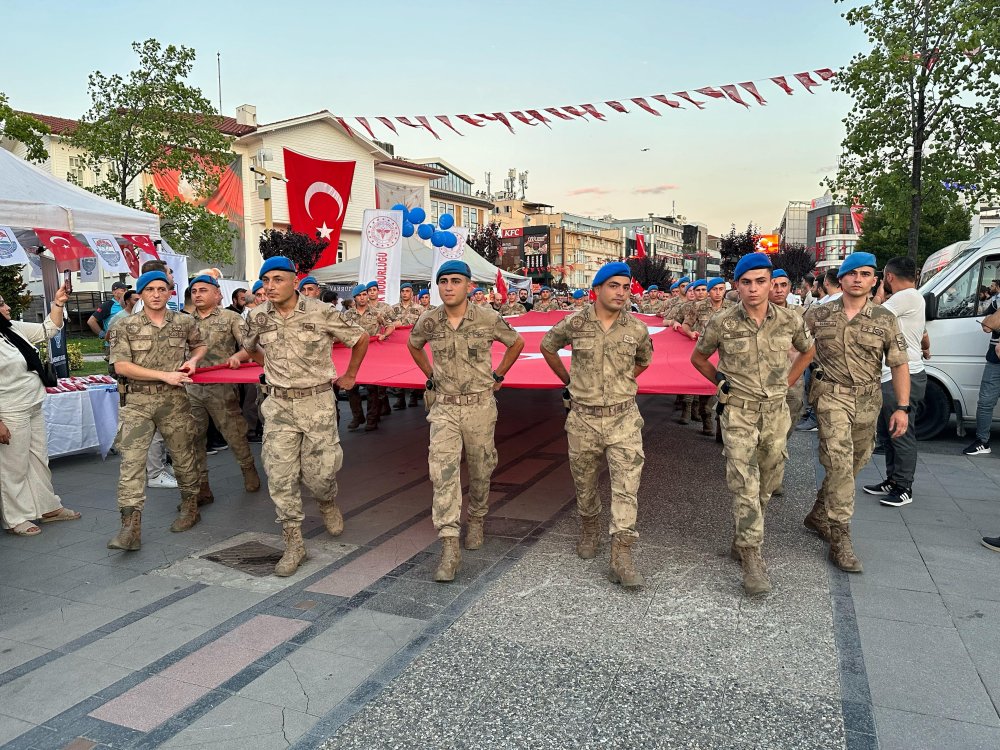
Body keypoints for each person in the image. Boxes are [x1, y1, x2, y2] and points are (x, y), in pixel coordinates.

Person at [692, 254, 815, 596]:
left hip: (776, 412)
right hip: (739, 413)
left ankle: (743, 535)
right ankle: (752, 557)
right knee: (744, 481)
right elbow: (698, 357)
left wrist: (789, 382)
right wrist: (721, 382)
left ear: (771, 282)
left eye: (761, 281)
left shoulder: (789, 320)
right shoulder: (723, 322)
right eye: (746, 282)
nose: (755, 288)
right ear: (737, 285)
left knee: (769, 480)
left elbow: (808, 351)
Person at [242, 256, 369, 576]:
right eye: (265, 280)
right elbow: (251, 348)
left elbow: (360, 339)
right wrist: (270, 368)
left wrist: (351, 375)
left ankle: (327, 501)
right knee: (280, 475)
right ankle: (293, 542)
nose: (270, 287)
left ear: (294, 281)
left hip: (317, 404)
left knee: (322, 473)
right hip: (279, 406)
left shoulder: (322, 311)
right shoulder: (257, 316)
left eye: (277, 280)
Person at [408, 260, 524, 582]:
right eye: (443, 281)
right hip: (444, 408)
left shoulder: (488, 318)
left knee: (481, 468)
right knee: (442, 473)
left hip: (479, 408)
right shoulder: (429, 321)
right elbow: (413, 345)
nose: (448, 286)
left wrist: (498, 374)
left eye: (455, 281)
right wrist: (430, 376)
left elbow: (516, 342)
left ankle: (476, 518)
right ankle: (449, 547)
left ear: (469, 286)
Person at [540, 262, 652, 588]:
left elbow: (644, 359)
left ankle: (622, 553)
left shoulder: (636, 328)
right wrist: (569, 381)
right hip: (583, 419)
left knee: (626, 487)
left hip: (624, 418)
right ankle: (589, 528)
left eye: (626, 287)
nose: (621, 292)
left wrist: (624, 382)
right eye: (614, 286)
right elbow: (548, 346)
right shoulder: (576, 322)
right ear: (598, 288)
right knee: (585, 483)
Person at [803, 252, 910, 573]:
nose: (858, 279)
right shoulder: (818, 316)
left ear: (874, 280)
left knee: (854, 463)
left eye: (865, 274)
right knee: (838, 461)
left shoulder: (885, 319)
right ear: (842, 278)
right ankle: (841, 537)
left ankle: (819, 513)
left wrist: (902, 408)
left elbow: (899, 363)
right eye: (852, 273)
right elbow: (793, 348)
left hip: (868, 401)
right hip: (830, 396)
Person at [107, 270, 207, 551]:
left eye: (162, 289)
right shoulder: (125, 326)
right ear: (140, 293)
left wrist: (195, 360)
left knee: (183, 456)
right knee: (131, 463)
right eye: (149, 289)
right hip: (137, 403)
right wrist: (165, 375)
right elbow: (121, 367)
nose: (156, 294)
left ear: (170, 292)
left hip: (173, 401)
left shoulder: (184, 322)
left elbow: (200, 344)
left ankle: (190, 507)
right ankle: (130, 528)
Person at [0, 285, 82, 536]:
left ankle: (48, 508)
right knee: (13, 467)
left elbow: (49, 329)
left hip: (34, 403)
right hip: (9, 411)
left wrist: (58, 303)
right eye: (1, 304)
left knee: (39, 460)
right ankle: (16, 518)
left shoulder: (11, 328)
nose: (7, 307)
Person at [185, 274, 261, 506]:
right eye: (194, 291)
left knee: (234, 434)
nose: (198, 294)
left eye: (203, 290)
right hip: (193, 388)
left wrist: (238, 356)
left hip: (222, 388)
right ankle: (202, 488)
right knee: (194, 439)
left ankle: (248, 470)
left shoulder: (231, 318)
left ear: (217, 294)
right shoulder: (184, 321)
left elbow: (250, 347)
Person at [862, 257, 928, 506]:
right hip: (898, 373)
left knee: (901, 432)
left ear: (888, 277)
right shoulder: (911, 298)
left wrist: (877, 294)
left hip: (903, 375)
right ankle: (893, 479)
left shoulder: (906, 296)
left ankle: (903, 487)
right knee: (891, 432)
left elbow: (870, 317)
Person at [681, 277, 734, 436]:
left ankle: (721, 430)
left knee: (726, 390)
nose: (718, 293)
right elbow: (686, 324)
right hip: (706, 353)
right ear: (709, 291)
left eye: (721, 289)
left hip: (726, 355)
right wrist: (690, 333)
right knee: (706, 391)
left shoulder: (733, 307)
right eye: (714, 289)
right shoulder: (698, 307)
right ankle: (707, 422)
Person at [342, 284, 395, 431]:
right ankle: (357, 416)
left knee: (373, 389)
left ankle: (372, 419)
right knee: (351, 387)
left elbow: (391, 326)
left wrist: (384, 334)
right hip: (353, 354)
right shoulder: (348, 315)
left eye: (365, 294)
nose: (363, 297)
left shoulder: (377, 313)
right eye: (360, 295)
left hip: (372, 355)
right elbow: (340, 331)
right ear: (355, 298)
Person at [768, 269, 807, 444]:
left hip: (792, 377)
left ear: (790, 288)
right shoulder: (757, 311)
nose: (779, 290)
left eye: (783, 285)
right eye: (775, 285)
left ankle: (779, 448)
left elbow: (811, 346)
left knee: (790, 417)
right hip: (765, 377)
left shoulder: (800, 312)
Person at [962, 287, 1000, 456]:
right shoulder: (998, 300)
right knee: (985, 402)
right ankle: (982, 441)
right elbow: (986, 326)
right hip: (995, 360)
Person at [390, 283, 423, 409]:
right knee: (397, 369)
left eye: (407, 291)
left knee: (413, 367)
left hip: (413, 343)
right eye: (402, 291)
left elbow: (423, 325)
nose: (404, 293)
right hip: (397, 345)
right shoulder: (393, 309)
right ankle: (400, 398)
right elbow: (388, 324)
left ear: (412, 294)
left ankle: (414, 395)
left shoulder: (419, 309)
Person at [87, 281, 131, 356]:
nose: (126, 292)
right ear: (114, 292)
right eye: (123, 290)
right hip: (113, 345)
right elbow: (91, 321)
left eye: (127, 290)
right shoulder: (108, 305)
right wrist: (102, 334)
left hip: (129, 342)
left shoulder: (129, 304)